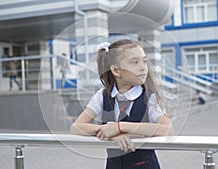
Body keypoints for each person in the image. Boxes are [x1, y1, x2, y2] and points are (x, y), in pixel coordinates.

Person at [70, 39, 174, 169]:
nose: (143, 67)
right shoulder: (102, 96)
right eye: (135, 62)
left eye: (144, 61)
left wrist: (119, 127)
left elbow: (167, 130)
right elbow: (76, 127)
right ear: (116, 71)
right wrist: (111, 134)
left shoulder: (150, 98)